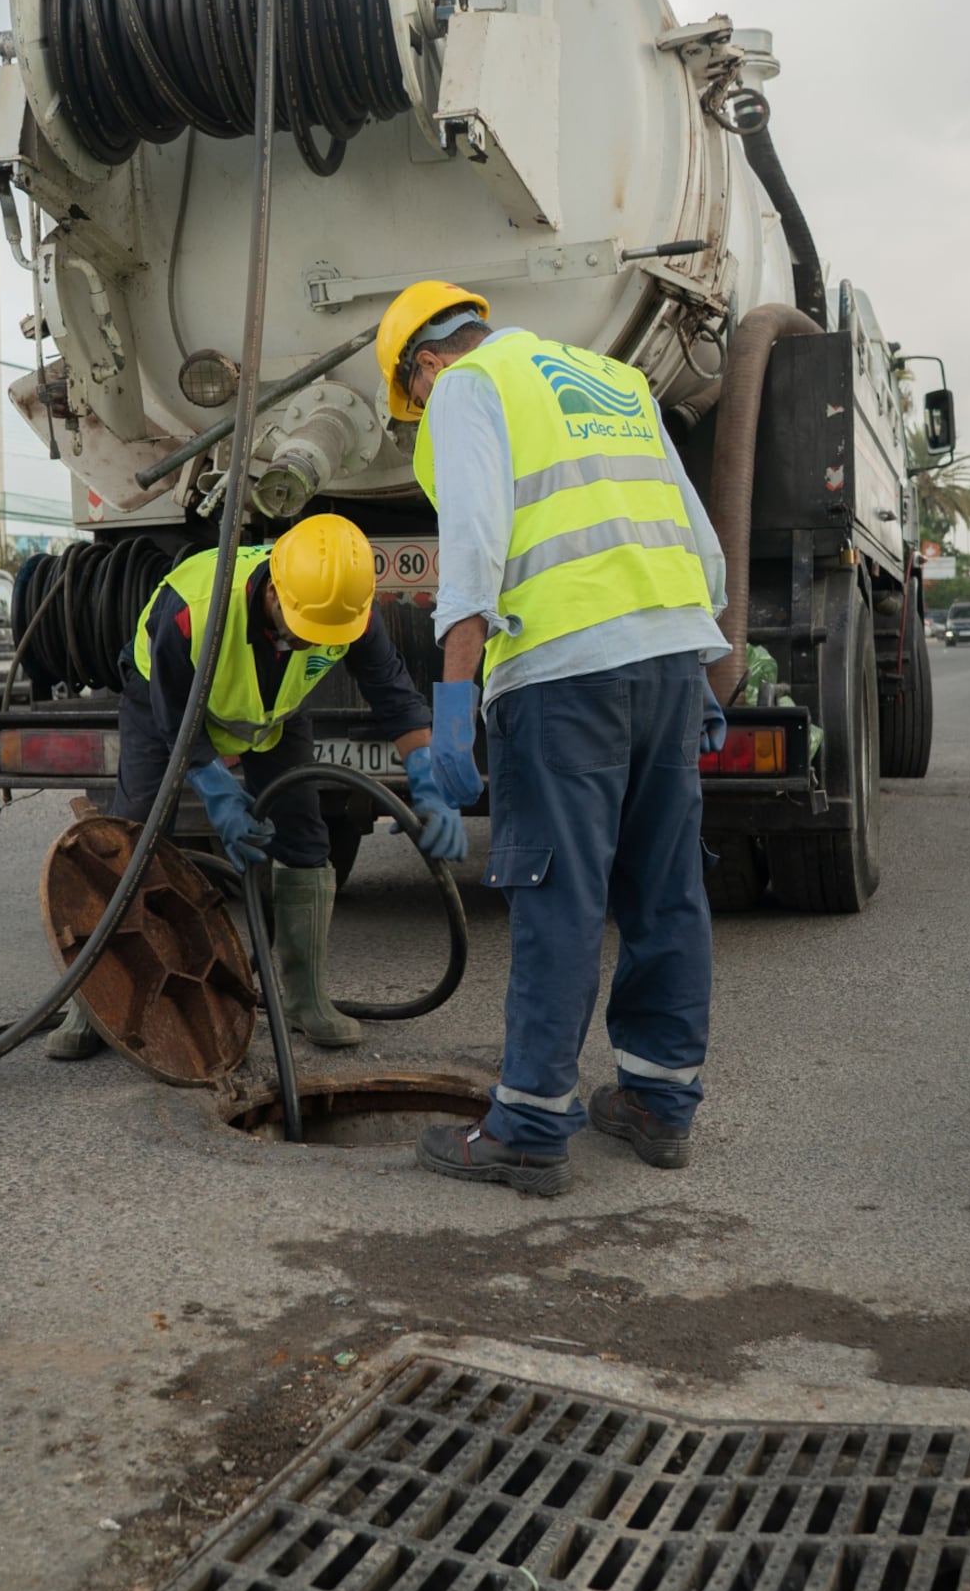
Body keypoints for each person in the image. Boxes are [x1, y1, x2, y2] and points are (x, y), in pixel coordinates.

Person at [375, 281, 730, 1195]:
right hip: (667, 655)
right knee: (665, 886)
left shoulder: (465, 385)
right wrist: (695, 669)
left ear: (423, 363)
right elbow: (703, 543)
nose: (419, 421)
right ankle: (657, 1103)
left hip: (564, 674)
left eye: (408, 408)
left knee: (555, 896)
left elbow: (474, 552)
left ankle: (529, 1128)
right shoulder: (617, 381)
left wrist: (452, 710)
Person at [45, 513, 464, 1060]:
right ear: (272, 589)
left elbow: (393, 694)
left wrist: (428, 779)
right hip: (162, 707)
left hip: (274, 716)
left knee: (306, 838)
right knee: (138, 838)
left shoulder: (344, 612)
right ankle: (93, 999)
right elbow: (178, 722)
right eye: (300, 628)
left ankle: (304, 998)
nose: (304, 643)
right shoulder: (194, 611)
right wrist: (218, 791)